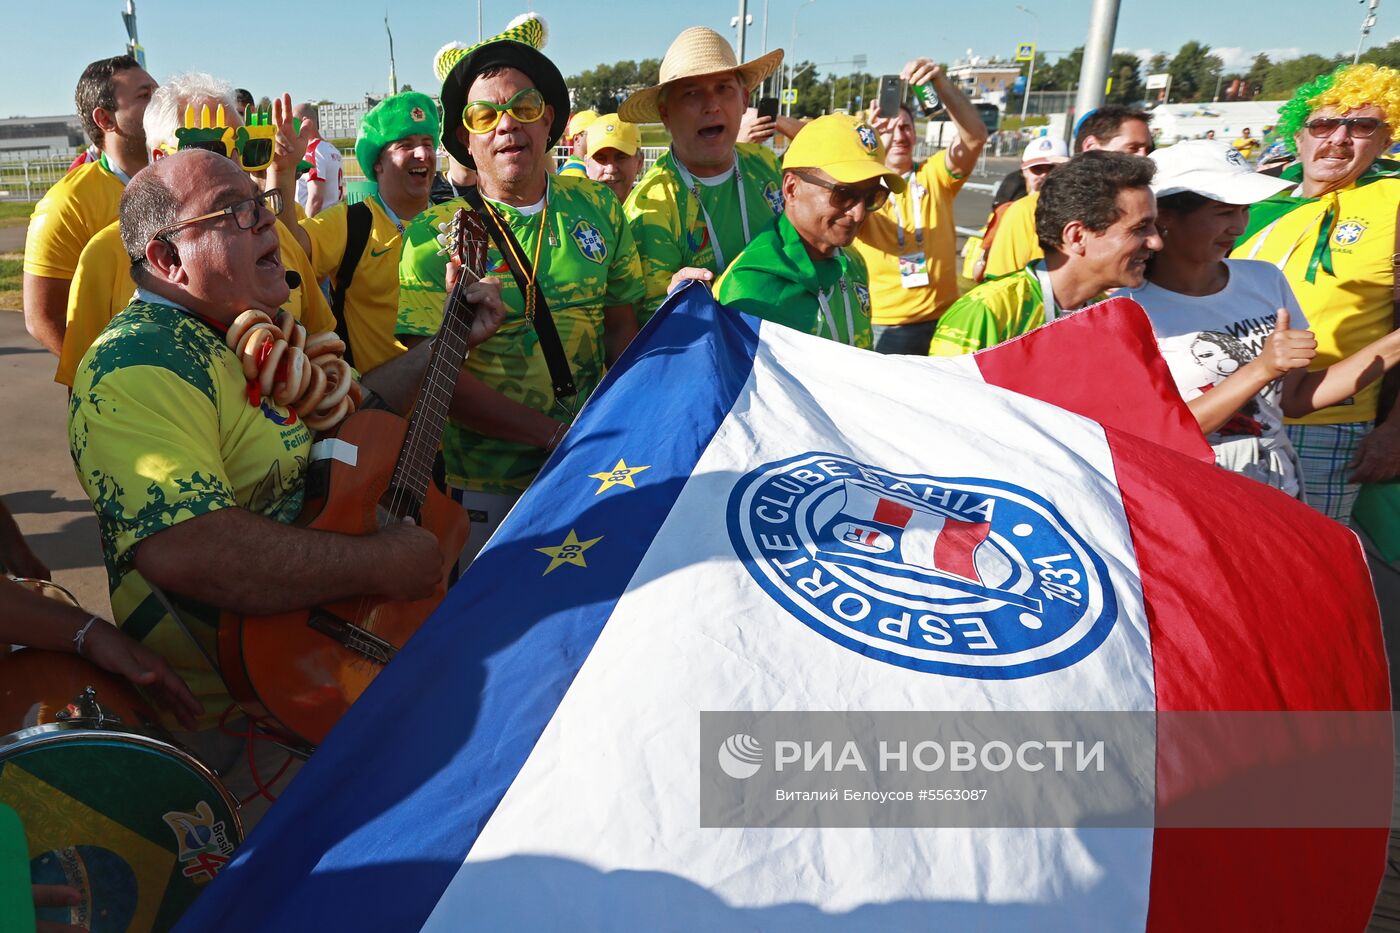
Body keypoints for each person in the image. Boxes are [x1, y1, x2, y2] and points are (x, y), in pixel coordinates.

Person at [67, 148, 505, 825]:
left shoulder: (246, 327)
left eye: (261, 201)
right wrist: (385, 562)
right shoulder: (136, 363)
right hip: (245, 731)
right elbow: (190, 548)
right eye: (234, 212)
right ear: (166, 258)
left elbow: (345, 419)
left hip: (328, 684)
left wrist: (443, 345)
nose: (269, 222)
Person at [399, 14, 644, 568]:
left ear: (549, 120)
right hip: (484, 486)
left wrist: (620, 426)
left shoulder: (599, 208)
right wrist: (555, 435)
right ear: (465, 137)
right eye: (485, 114)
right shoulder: (425, 238)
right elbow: (434, 379)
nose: (506, 126)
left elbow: (621, 328)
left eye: (524, 108)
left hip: (594, 466)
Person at [55, 73, 332, 388]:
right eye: (211, 147)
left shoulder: (273, 232)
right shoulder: (105, 254)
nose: (232, 163)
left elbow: (324, 347)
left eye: (242, 147)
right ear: (160, 159)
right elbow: (85, 385)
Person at [1234, 63, 1400, 521]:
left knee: (1312, 568)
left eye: (1362, 125)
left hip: (1329, 423)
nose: (1339, 138)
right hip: (1230, 411)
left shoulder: (1395, 202)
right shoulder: (1251, 204)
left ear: (1387, 140)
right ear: (1299, 136)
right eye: (1324, 124)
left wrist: (1395, 431)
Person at [620, 26, 785, 324]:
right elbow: (645, 325)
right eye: (692, 93)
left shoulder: (766, 165)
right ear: (665, 114)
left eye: (724, 88)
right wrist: (671, 303)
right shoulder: (649, 206)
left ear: (745, 101)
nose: (712, 106)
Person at [929, 151, 1161, 355]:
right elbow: (941, 404)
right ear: (1077, 237)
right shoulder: (986, 311)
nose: (1156, 242)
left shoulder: (1108, 314)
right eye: (1140, 228)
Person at [716, 114, 904, 348]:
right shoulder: (748, 288)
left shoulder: (852, 261)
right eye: (844, 194)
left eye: (873, 197)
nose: (858, 214)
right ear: (791, 188)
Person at [849, 58, 987, 354]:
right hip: (886, 324)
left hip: (944, 319)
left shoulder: (934, 173)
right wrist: (866, 148)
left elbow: (974, 137)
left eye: (907, 128)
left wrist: (941, 83)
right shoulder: (862, 185)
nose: (899, 136)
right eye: (889, 129)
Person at [23, 56, 156, 356]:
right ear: (106, 119)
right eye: (145, 95)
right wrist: (106, 376)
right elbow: (42, 317)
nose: (160, 102)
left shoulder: (181, 179)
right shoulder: (67, 202)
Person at [300, 92, 438, 373]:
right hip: (379, 409)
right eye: (406, 145)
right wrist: (279, 172)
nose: (423, 154)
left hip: (454, 406)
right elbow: (291, 250)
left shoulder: (455, 220)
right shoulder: (352, 222)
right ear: (378, 162)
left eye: (428, 143)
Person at [983, 105, 1153, 279]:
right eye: (1133, 148)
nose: (1144, 157)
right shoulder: (1026, 210)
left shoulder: (1147, 208)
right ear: (1091, 146)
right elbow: (1001, 285)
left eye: (1148, 149)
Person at [969, 135, 1069, 282]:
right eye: (1037, 169)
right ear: (1025, 171)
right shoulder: (1011, 210)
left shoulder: (1079, 210)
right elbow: (989, 272)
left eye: (1053, 169)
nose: (1045, 175)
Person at [293, 103, 345, 216]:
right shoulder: (333, 149)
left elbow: (315, 199)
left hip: (315, 224)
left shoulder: (313, 151)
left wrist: (306, 228)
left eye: (294, 122)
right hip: (333, 219)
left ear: (305, 122)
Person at [582, 113, 644, 202]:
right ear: (586, 164)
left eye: (621, 157)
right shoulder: (571, 213)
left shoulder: (658, 213)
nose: (610, 169)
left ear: (639, 162)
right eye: (601, 159)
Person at [558, 109, 599, 177]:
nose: (599, 138)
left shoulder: (579, 167)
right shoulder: (575, 174)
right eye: (594, 133)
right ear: (577, 139)